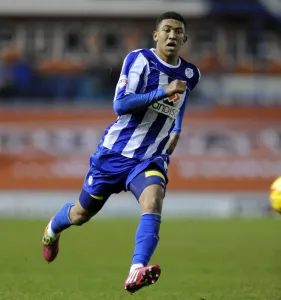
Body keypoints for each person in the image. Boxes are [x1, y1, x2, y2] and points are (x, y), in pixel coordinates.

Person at [42, 11, 200, 294]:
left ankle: (136, 270)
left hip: (151, 157)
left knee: (153, 201)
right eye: (167, 30)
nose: (172, 35)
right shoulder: (139, 60)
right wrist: (162, 92)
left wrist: (176, 128)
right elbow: (121, 105)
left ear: (184, 38)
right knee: (80, 214)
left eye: (178, 31)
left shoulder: (190, 73)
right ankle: (52, 229)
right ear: (156, 35)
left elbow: (182, 100)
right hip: (114, 154)